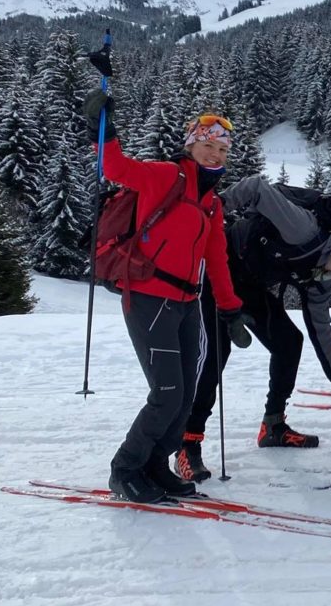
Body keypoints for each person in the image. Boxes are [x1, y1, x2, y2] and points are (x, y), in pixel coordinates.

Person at [85, 90, 246, 504]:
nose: (214, 154)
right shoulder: (166, 177)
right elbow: (115, 167)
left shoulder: (211, 202)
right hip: (148, 298)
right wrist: (104, 128)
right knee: (167, 392)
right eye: (207, 145)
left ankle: (156, 464)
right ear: (190, 145)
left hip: (188, 303)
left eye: (222, 148)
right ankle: (124, 470)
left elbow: (218, 258)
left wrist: (230, 308)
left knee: (186, 395)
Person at [177, 175, 331, 481]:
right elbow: (257, 187)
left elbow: (321, 329)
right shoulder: (304, 230)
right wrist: (214, 209)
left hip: (249, 285)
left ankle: (273, 426)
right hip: (219, 266)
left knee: (289, 341)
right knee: (216, 352)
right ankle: (187, 443)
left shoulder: (323, 279)